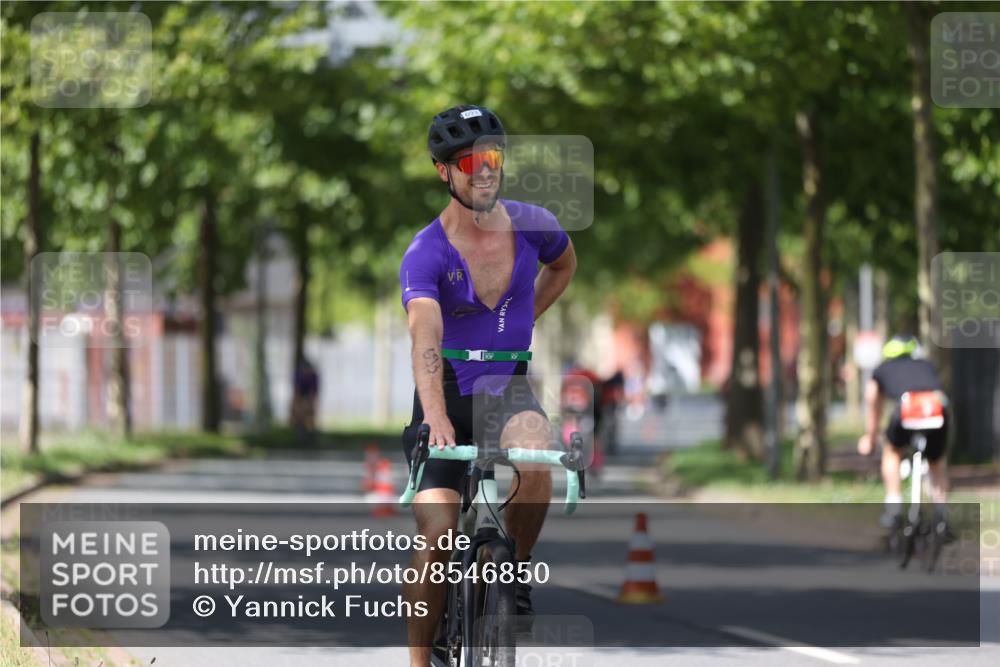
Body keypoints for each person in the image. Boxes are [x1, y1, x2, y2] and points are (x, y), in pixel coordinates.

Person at [399, 104, 576, 666]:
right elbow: (425, 337)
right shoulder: (425, 251)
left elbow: (565, 266)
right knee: (437, 538)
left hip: (507, 388)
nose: (484, 170)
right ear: (443, 171)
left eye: (492, 157)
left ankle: (514, 574)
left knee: (539, 459)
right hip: (444, 395)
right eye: (470, 160)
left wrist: (528, 321)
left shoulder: (535, 226)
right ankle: (420, 663)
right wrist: (436, 415)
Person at [857, 335, 953, 539]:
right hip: (937, 407)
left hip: (907, 408)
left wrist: (870, 438)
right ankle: (941, 515)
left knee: (891, 452)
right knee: (937, 463)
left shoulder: (882, 369)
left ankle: (894, 508)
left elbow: (874, 406)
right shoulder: (926, 364)